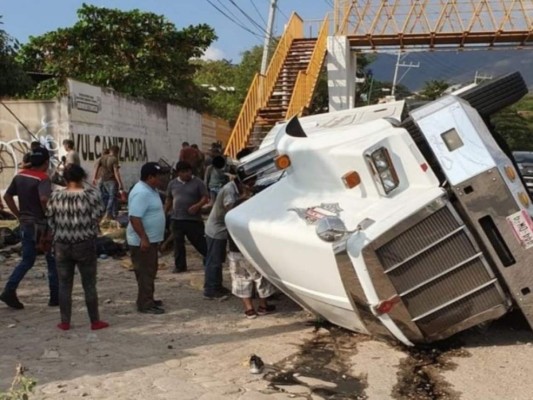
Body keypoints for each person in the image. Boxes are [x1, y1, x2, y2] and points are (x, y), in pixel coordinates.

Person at [46, 164, 108, 331]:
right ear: (82, 177)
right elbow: (98, 216)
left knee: (64, 284)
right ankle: (95, 321)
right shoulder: (91, 195)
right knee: (89, 284)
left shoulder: (56, 196)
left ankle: (65, 321)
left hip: (62, 245)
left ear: (65, 178)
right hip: (85, 244)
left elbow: (50, 220)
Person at [0, 145, 59, 309]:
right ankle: (55, 296)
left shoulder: (20, 176)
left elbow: (7, 196)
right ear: (46, 162)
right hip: (41, 224)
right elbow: (44, 199)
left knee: (27, 260)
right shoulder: (43, 178)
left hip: (26, 223)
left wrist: (18, 214)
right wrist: (51, 215)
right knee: (51, 259)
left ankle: (9, 289)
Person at [203, 173, 257, 300]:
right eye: (250, 183)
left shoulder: (235, 188)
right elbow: (231, 211)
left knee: (219, 260)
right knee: (214, 260)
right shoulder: (229, 190)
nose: (251, 186)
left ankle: (217, 286)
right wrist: (244, 198)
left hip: (222, 228)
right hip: (217, 229)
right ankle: (210, 289)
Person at [127, 162, 166, 314]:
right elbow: (134, 217)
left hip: (150, 239)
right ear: (150, 177)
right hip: (142, 241)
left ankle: (148, 297)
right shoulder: (141, 192)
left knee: (150, 270)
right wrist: (143, 238)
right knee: (145, 272)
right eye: (159, 177)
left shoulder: (151, 190)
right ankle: (145, 303)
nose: (162, 179)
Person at [227, 199, 276, 319]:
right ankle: (263, 306)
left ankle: (249, 309)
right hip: (250, 254)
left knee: (241, 279)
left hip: (235, 254)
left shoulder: (230, 220)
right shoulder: (250, 222)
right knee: (260, 278)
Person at [164, 161, 209, 273]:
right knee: (178, 243)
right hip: (177, 218)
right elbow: (169, 199)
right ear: (178, 173)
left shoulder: (198, 182)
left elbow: (205, 198)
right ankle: (180, 266)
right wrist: (164, 212)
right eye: (183, 172)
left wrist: (197, 206)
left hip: (193, 219)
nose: (187, 174)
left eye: (188, 171)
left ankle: (209, 257)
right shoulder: (172, 184)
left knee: (199, 241)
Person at [92, 145, 124, 219]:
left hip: (102, 179)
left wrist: (94, 178)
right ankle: (108, 213)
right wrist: (120, 183)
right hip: (111, 180)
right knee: (112, 197)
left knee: (104, 197)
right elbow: (116, 172)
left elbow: (96, 167)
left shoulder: (102, 157)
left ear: (110, 151)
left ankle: (105, 213)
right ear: (117, 152)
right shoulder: (114, 159)